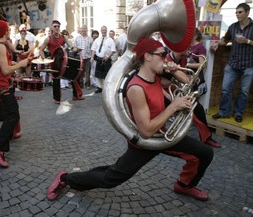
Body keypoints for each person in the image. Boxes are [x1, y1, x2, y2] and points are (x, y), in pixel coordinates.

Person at [47, 39, 214, 202]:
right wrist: (173, 107)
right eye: (162, 55)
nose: (166, 58)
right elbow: (146, 131)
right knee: (111, 178)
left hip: (163, 135)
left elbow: (190, 81)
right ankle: (65, 178)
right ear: (147, 57)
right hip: (145, 142)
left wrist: (173, 69)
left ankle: (184, 185)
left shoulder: (157, 77)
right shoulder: (136, 88)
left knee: (205, 153)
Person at [0, 20, 29, 168]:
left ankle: (12, 134)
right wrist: (20, 64)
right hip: (2, 86)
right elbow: (5, 70)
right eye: (8, 29)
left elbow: (7, 49)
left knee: (13, 113)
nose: (9, 32)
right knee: (12, 116)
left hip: (2, 84)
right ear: (5, 31)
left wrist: (18, 53)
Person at [165, 49, 221, 148]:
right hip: (166, 93)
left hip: (179, 92)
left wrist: (193, 77)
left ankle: (206, 138)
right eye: (189, 46)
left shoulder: (183, 58)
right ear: (181, 47)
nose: (191, 48)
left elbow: (184, 75)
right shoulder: (167, 60)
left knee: (198, 110)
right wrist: (171, 98)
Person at [211, 3, 253, 123]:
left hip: (249, 64)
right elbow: (226, 39)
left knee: (244, 92)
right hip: (233, 63)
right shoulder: (233, 27)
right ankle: (224, 112)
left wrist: (247, 41)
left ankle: (239, 113)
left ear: (247, 12)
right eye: (236, 12)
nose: (237, 14)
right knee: (225, 89)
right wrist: (218, 44)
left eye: (240, 12)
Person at [39, 20, 84, 104]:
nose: (57, 28)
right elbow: (41, 50)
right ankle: (57, 99)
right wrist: (44, 60)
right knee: (56, 80)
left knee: (74, 74)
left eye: (58, 26)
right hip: (54, 62)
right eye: (55, 26)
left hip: (63, 61)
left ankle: (76, 95)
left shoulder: (64, 37)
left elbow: (71, 46)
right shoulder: (48, 39)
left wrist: (76, 49)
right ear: (52, 27)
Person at [91, 26, 116, 93]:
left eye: (105, 30)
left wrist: (108, 56)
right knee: (98, 75)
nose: (104, 31)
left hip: (106, 60)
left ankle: (106, 87)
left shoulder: (110, 40)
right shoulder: (97, 40)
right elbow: (93, 49)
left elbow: (113, 50)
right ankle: (100, 87)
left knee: (106, 75)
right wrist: (92, 57)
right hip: (98, 59)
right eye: (102, 30)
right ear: (101, 31)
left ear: (106, 31)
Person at [187, 28, 207, 95]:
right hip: (188, 76)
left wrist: (187, 65)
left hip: (196, 77)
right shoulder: (187, 46)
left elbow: (202, 65)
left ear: (195, 36)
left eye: (189, 34)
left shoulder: (200, 48)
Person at [74, 25, 93, 89]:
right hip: (80, 58)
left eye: (84, 29)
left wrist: (92, 57)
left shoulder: (90, 39)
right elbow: (74, 47)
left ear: (86, 30)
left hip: (88, 57)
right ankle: (81, 84)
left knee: (88, 72)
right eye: (82, 29)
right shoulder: (77, 38)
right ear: (80, 30)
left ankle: (87, 85)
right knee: (80, 71)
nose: (83, 30)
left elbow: (92, 48)